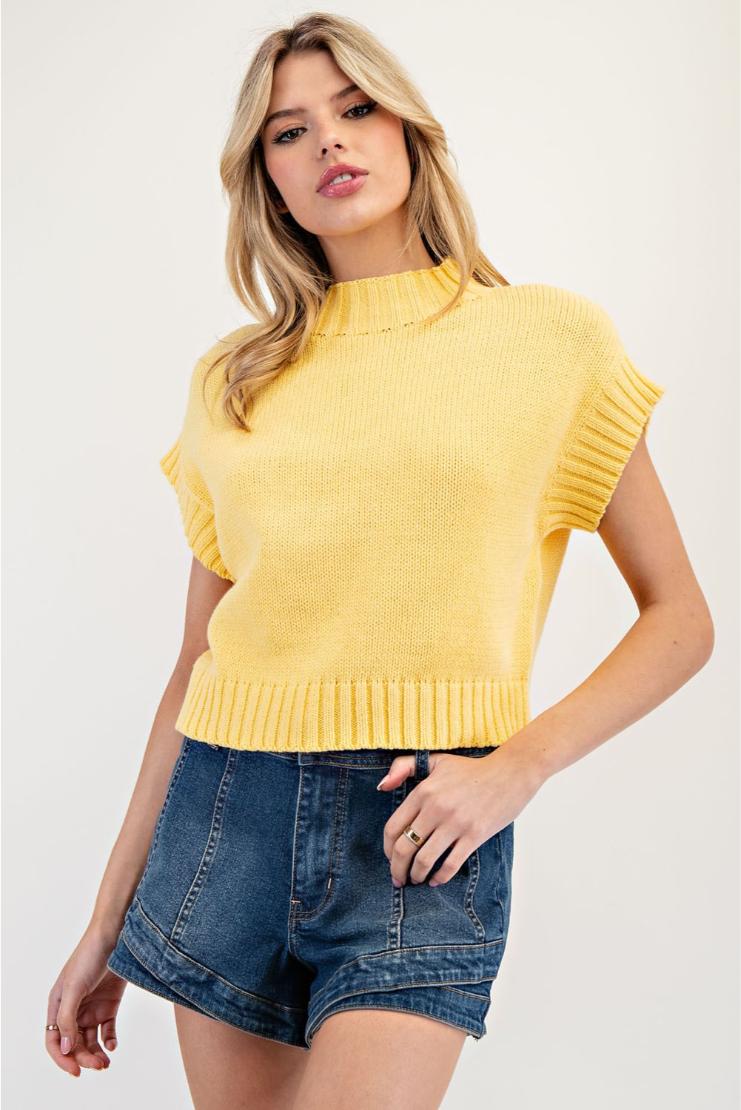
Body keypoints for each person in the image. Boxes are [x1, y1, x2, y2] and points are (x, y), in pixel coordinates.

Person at [45, 12, 714, 1108]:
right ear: (266, 178)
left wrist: (515, 768)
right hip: (226, 819)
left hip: (422, 826)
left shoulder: (550, 341)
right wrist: (104, 926)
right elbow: (196, 665)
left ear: (409, 130)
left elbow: (680, 618)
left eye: (355, 108)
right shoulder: (232, 380)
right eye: (288, 131)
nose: (329, 141)